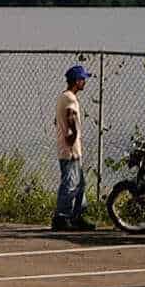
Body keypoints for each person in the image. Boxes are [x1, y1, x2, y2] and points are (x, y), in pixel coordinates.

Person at [50, 63, 92, 231]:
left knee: (79, 183)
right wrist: (72, 137)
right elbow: (71, 117)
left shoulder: (63, 96)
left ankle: (77, 215)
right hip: (70, 150)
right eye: (83, 79)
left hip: (70, 148)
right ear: (76, 81)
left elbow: (57, 120)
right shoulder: (70, 99)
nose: (84, 82)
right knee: (70, 184)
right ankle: (62, 217)